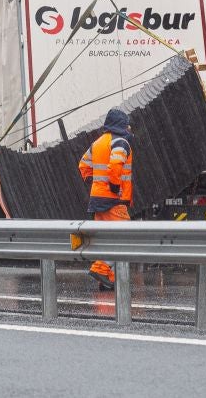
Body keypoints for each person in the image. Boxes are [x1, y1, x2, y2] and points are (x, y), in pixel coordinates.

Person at [78, 108, 133, 291]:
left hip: (97, 199)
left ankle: (107, 281)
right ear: (121, 126)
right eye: (126, 124)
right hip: (114, 200)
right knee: (125, 238)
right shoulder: (120, 142)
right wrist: (115, 186)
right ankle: (100, 268)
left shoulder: (98, 142)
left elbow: (83, 165)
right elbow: (115, 166)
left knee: (105, 240)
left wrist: (95, 183)